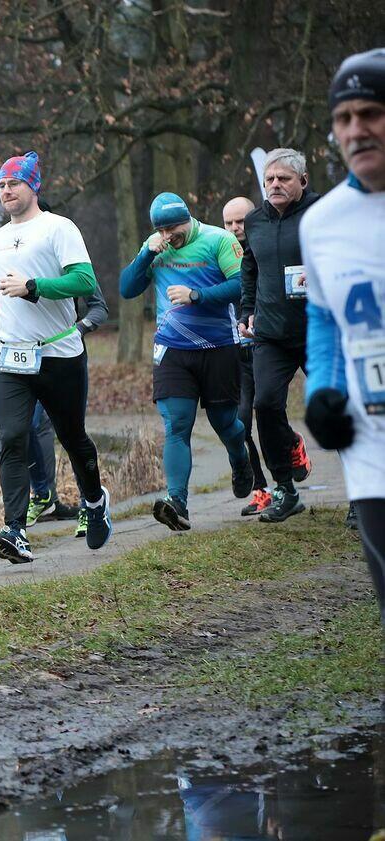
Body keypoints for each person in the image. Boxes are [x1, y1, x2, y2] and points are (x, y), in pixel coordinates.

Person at [0, 152, 113, 563]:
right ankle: (15, 530)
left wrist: (34, 286)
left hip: (59, 353)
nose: (6, 191)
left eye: (14, 184)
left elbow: (84, 281)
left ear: (33, 186)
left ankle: (95, 502)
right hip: (11, 355)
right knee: (11, 438)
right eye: (1, 186)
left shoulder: (59, 228)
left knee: (73, 438)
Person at [300, 47, 385, 627]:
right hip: (372, 447)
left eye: (371, 113)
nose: (356, 130)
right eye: (343, 118)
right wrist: (322, 392)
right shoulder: (321, 224)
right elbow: (326, 318)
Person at [119, 192, 253, 530]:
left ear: (188, 219)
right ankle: (177, 502)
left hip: (218, 345)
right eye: (161, 230)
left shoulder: (218, 239)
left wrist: (197, 296)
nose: (168, 236)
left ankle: (240, 459)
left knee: (225, 423)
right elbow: (127, 289)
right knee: (177, 425)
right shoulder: (155, 248)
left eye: (173, 229)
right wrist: (146, 255)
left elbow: (241, 284)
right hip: (172, 349)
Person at [240, 149, 322, 523]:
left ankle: (360, 494)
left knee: (338, 406)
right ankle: (285, 490)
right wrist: (247, 310)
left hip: (318, 329)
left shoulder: (321, 213)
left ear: (302, 181)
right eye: (269, 179)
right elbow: (250, 267)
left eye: (283, 178)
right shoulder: (255, 220)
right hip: (271, 334)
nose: (274, 184)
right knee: (266, 405)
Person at [27, 284, 109, 536]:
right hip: (27, 357)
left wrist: (79, 329)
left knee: (72, 435)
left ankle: (88, 504)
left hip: (66, 359)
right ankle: (42, 494)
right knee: (25, 426)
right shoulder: (13, 262)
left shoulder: (70, 263)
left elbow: (99, 308)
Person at [222, 196, 272, 516]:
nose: (235, 228)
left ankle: (291, 449)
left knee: (269, 415)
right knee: (240, 422)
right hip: (235, 351)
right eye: (228, 223)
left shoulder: (266, 249)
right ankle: (260, 489)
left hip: (267, 348)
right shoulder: (220, 253)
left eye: (240, 221)